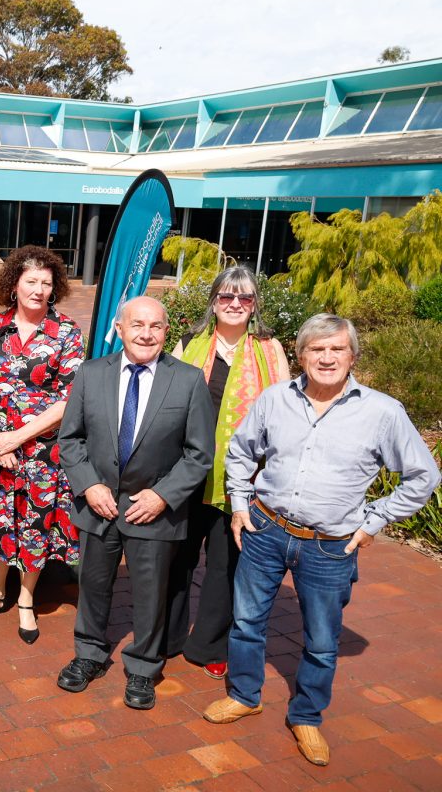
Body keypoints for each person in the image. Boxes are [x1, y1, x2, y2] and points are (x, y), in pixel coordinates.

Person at [203, 314, 439, 767]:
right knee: (247, 622)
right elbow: (240, 451)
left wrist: (373, 521)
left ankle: (307, 715)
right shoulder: (275, 400)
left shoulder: (382, 412)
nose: (327, 358)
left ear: (352, 356)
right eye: (317, 349)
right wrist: (238, 503)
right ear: (301, 354)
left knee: (322, 640)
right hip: (265, 529)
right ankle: (245, 694)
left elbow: (423, 476)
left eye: (336, 349)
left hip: (330, 545)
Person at [56, 296, 214, 710]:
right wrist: (89, 486)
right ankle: (88, 654)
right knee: (92, 587)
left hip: (153, 510)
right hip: (99, 505)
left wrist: (163, 496)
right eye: (137, 324)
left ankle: (144, 667)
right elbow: (70, 440)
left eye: (156, 326)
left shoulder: (188, 380)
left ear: (166, 332)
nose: (146, 333)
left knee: (150, 593)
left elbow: (199, 454)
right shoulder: (91, 375)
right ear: (119, 328)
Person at [164, 267, 290, 678]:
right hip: (188, 471)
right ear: (213, 301)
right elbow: (167, 409)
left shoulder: (271, 350)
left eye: (245, 298)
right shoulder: (189, 344)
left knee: (225, 562)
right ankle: (166, 635)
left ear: (255, 305)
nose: (235, 304)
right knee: (177, 557)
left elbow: (285, 413)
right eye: (226, 297)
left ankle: (211, 644)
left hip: (242, 479)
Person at [0, 246, 83, 645]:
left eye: (46, 283)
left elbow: (70, 399)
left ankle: (27, 600)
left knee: (34, 524)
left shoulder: (66, 331)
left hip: (42, 452)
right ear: (14, 284)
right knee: (0, 519)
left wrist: (18, 437)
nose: (38, 289)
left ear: (55, 289)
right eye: (30, 281)